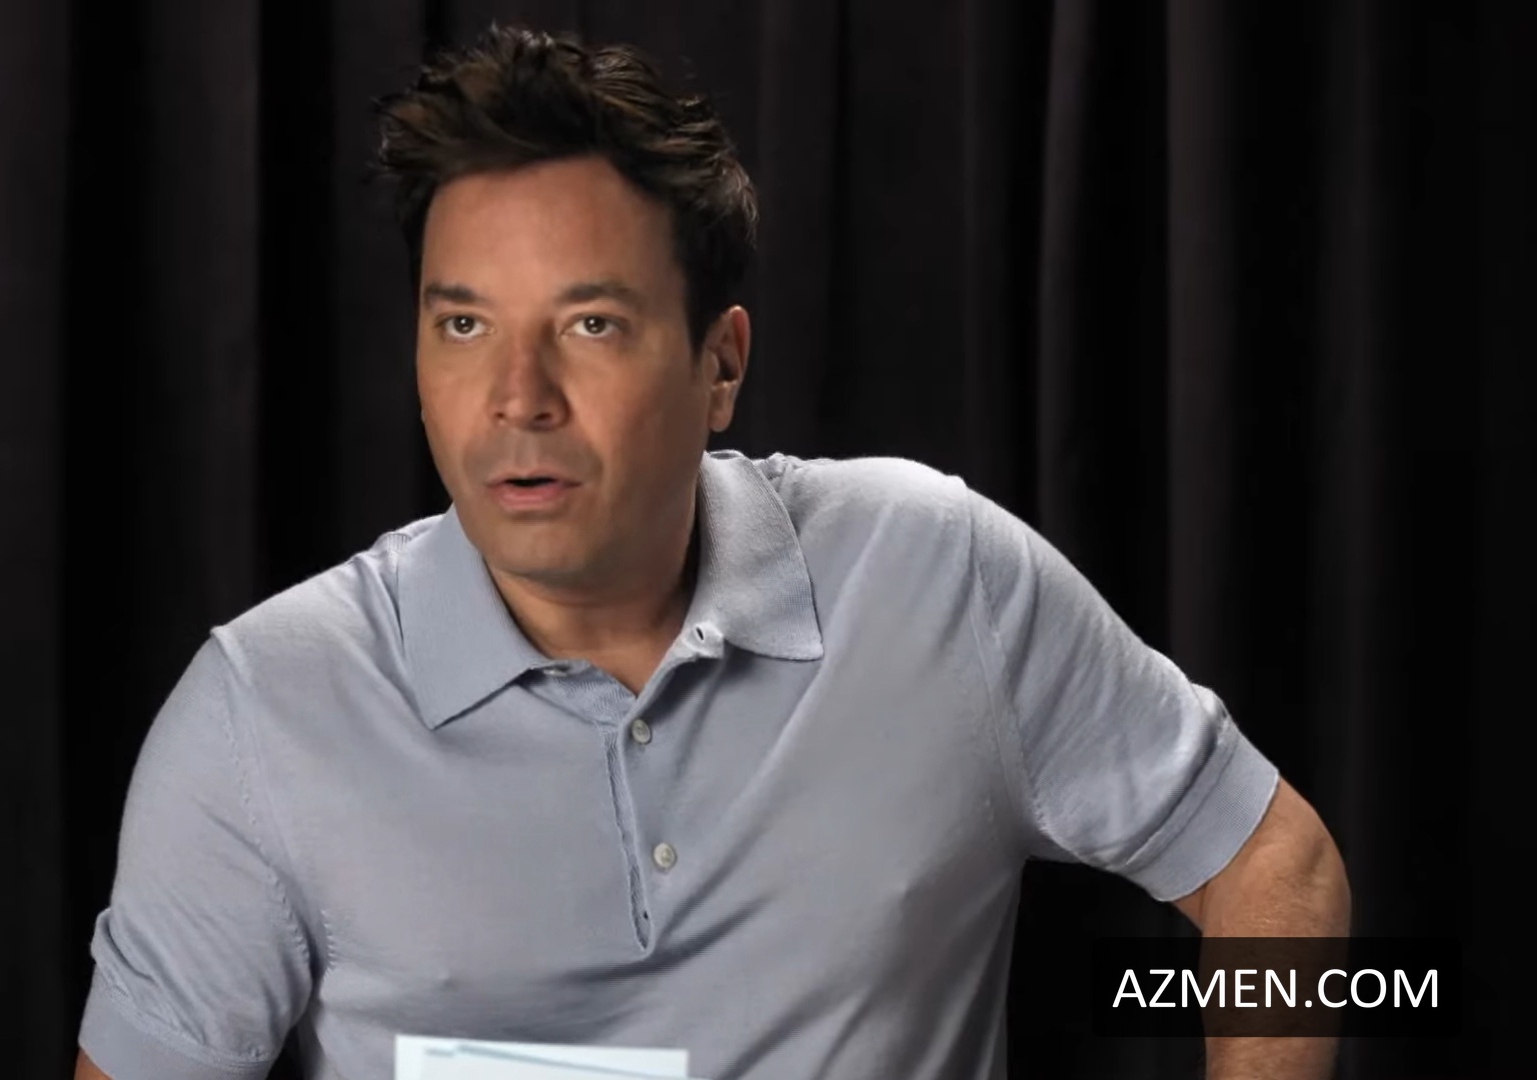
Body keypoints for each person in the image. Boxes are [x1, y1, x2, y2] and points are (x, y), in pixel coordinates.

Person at [73, 24, 1349, 1080]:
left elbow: (1271, 863)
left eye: (590, 324)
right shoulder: (264, 710)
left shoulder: (937, 576)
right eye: (463, 325)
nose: (516, 398)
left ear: (720, 364)